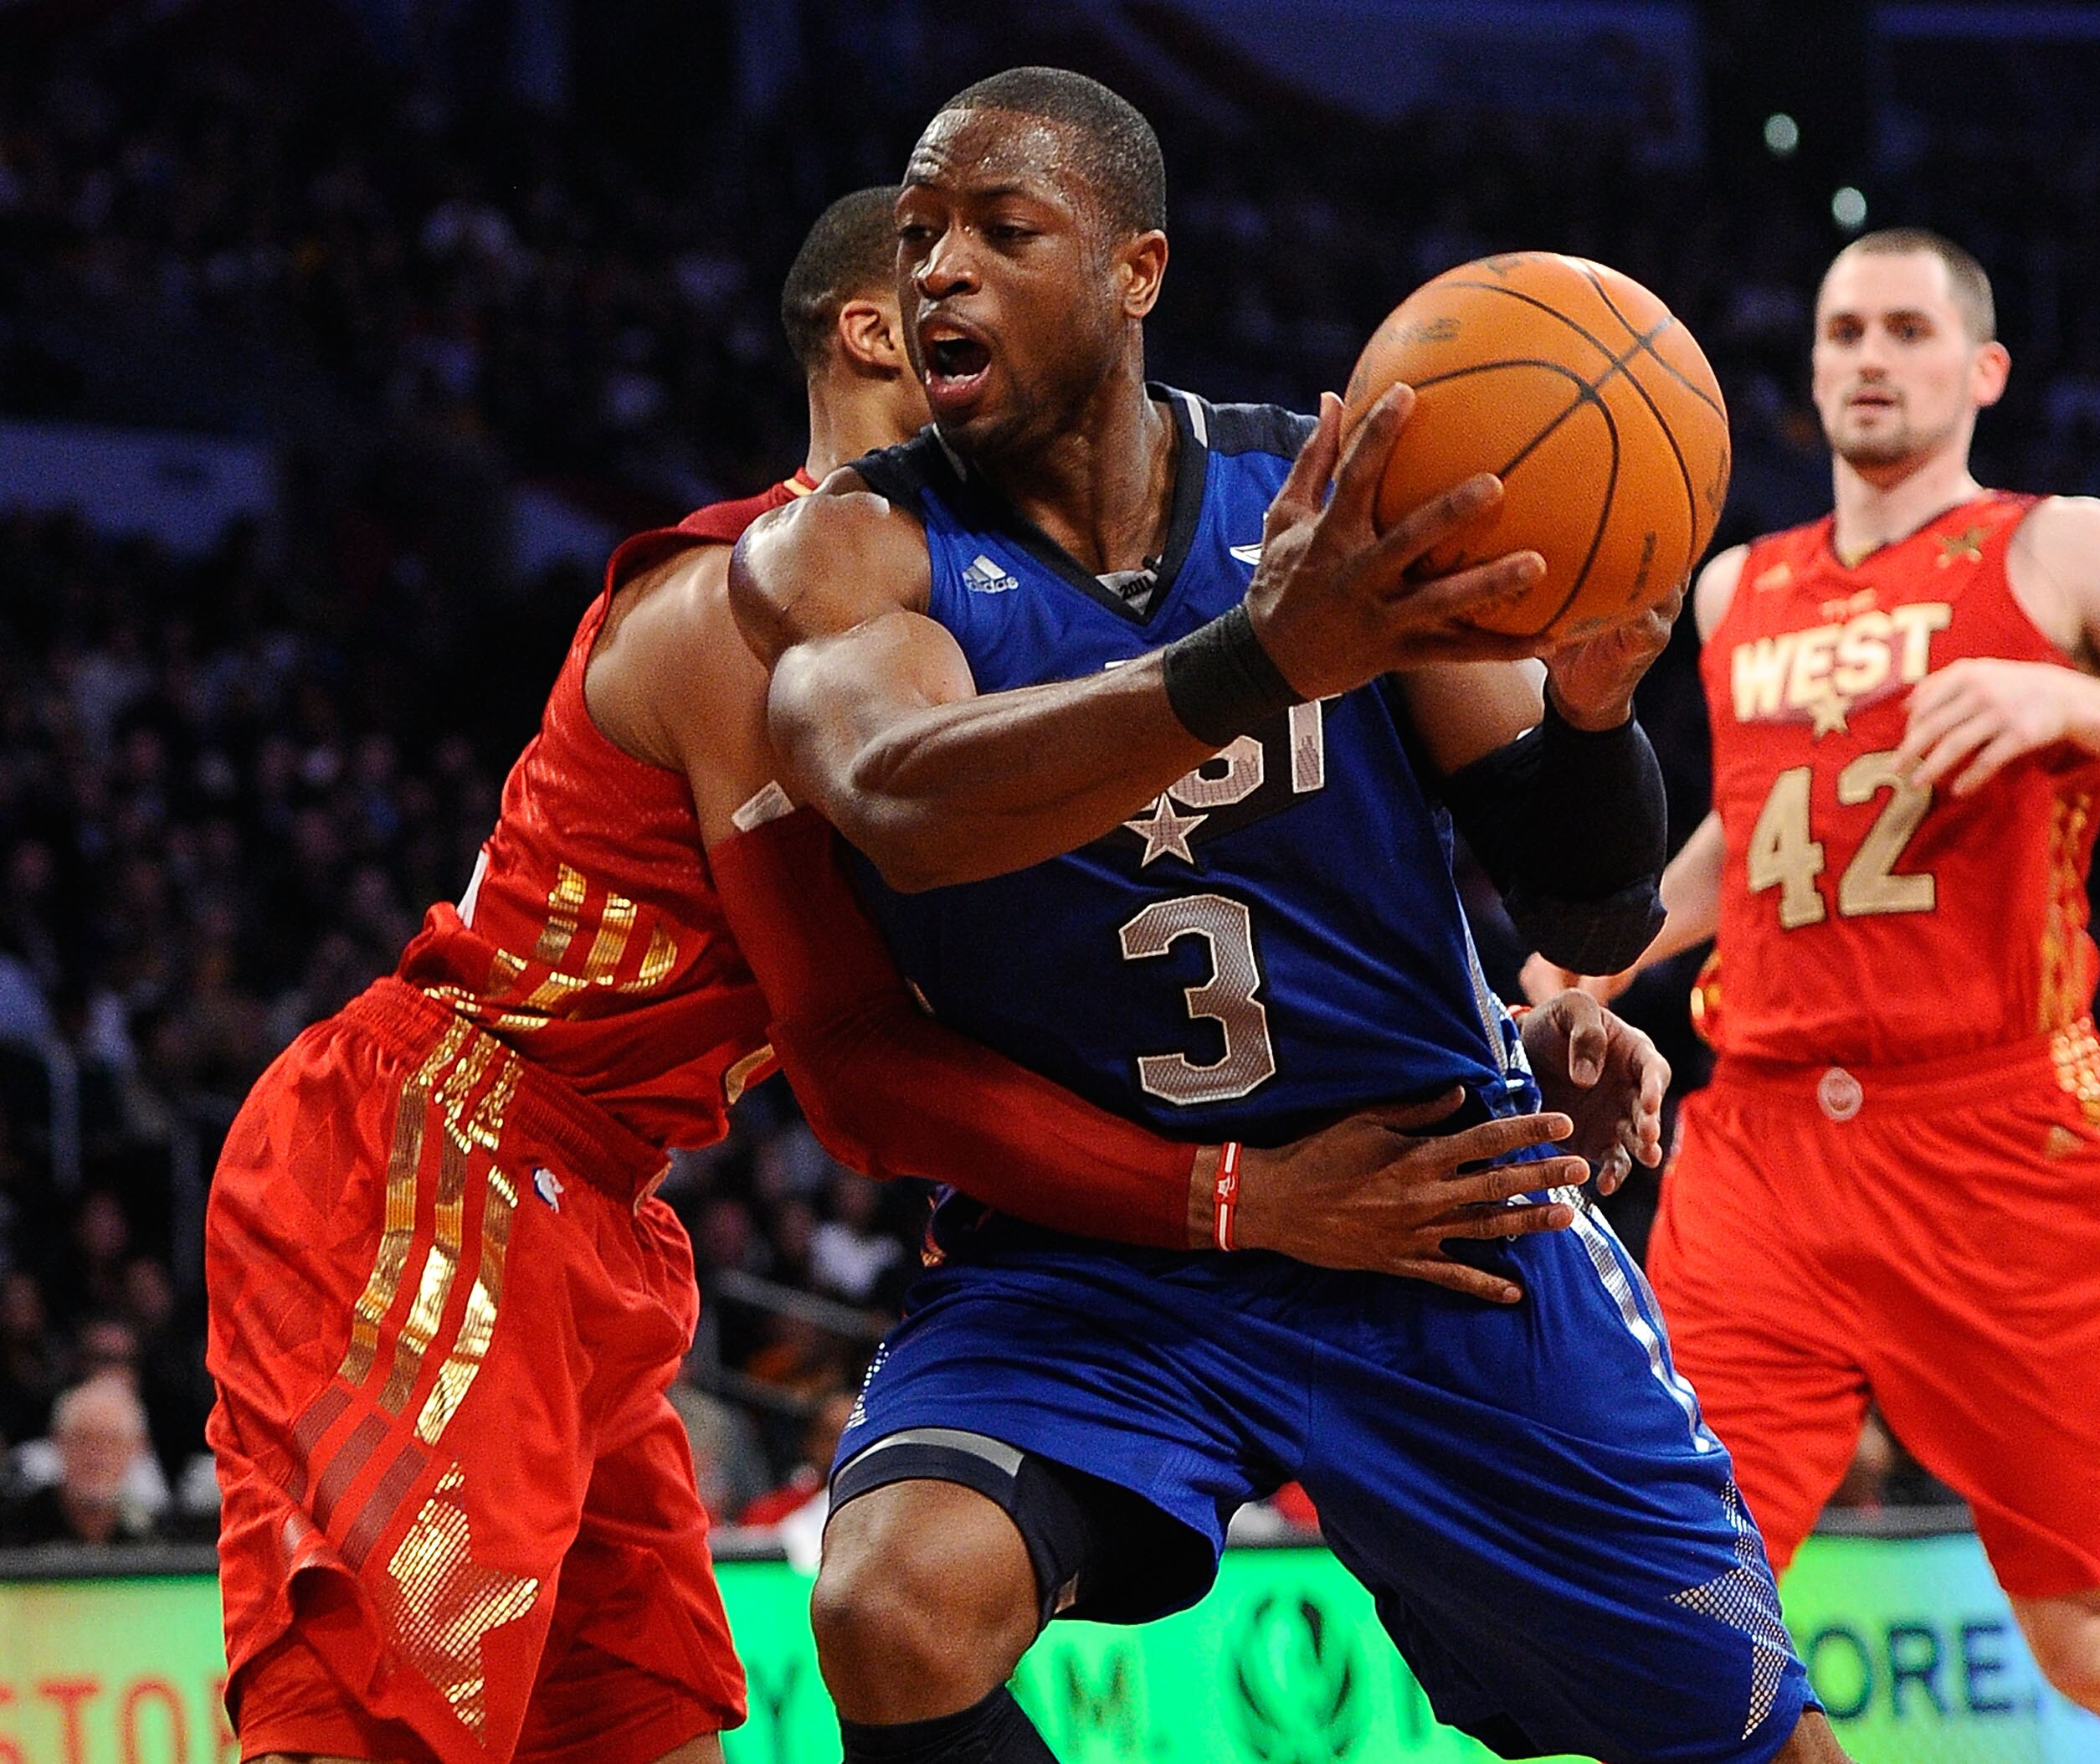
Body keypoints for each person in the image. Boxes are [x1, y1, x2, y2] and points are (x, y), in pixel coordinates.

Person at [204, 186, 1666, 1764]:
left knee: (637, 1734)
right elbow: (854, 1054)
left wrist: (1517, 1017)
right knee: (359, 1730)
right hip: (439, 1157)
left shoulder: (981, 609)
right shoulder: (749, 604)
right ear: (879, 328)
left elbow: (1170, 917)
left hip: (605, 1204)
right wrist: (1243, 1197)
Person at [734, 68, 1841, 1764]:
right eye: (918, 234)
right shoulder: (849, 556)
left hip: (1432, 1203)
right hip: (1105, 1250)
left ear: (1136, 273)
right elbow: (905, 801)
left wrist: (1607, 712)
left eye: (998, 231)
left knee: (1762, 1749)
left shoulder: (1326, 506)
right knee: (890, 1605)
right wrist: (1261, 662)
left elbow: (1588, 887)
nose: (935, 271)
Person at [1525, 227, 2100, 1764]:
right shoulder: (1735, 590)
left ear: (1981, 371)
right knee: (1690, 1595)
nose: (1866, 358)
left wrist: (2070, 696)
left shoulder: (2064, 547)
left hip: (1993, 1137)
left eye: (1907, 330)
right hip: (1765, 1138)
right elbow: (1765, 833)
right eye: (1843, 330)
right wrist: (1612, 945)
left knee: (2087, 1630)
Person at [0, 1375, 157, 1546]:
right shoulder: (14, 1530)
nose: (97, 1456)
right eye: (83, 1439)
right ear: (58, 1442)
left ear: (139, 1448)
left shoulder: (151, 1534)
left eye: (112, 1441)